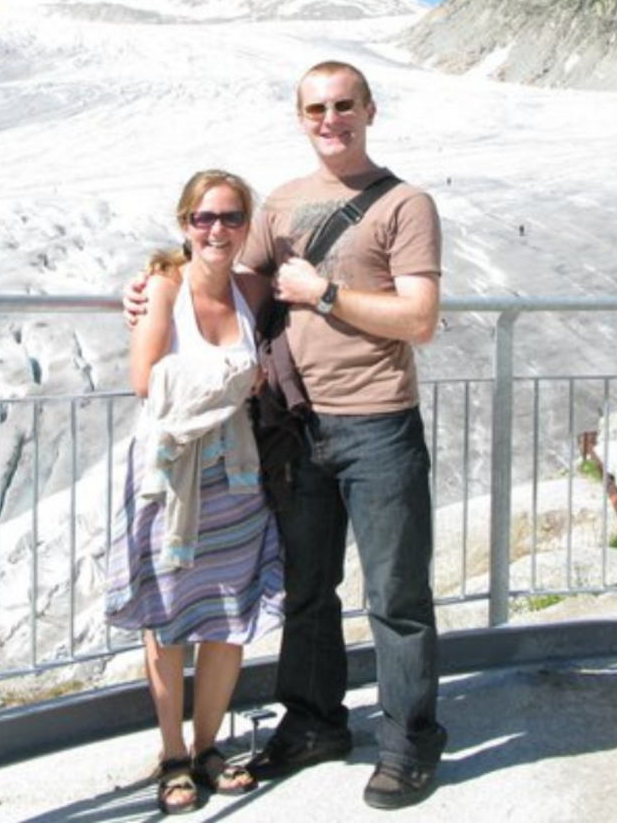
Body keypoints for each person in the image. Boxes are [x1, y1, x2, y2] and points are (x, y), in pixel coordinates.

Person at [126, 61, 446, 809]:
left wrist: (326, 292)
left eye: (343, 105)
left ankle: (409, 740)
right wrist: (151, 283)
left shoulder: (406, 205)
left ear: (369, 109)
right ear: (300, 118)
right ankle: (313, 723)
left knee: (397, 596)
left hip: (378, 422)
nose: (330, 119)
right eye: (316, 108)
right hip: (298, 430)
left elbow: (420, 319)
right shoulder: (282, 204)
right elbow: (227, 279)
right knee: (308, 591)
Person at [105, 169, 283, 815]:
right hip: (170, 475)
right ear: (185, 224)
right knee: (169, 615)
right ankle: (173, 752)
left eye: (231, 218)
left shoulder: (252, 289)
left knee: (228, 616)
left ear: (245, 227)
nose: (216, 230)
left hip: (235, 477)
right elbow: (145, 379)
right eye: (203, 218)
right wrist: (237, 376)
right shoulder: (163, 288)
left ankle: (209, 746)